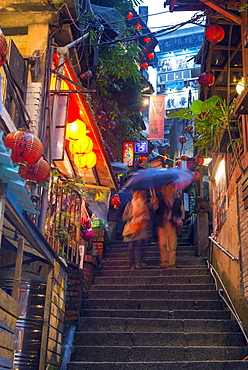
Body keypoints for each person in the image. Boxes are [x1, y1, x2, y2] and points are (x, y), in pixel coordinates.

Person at [152, 183, 182, 268]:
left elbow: (179, 212)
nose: (168, 190)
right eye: (167, 188)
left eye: (171, 188)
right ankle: (164, 261)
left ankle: (171, 263)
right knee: (162, 243)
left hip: (172, 223)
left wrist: (178, 218)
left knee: (172, 244)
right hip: (162, 223)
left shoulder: (177, 200)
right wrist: (155, 206)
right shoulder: (160, 200)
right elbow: (157, 213)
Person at [122, 190, 150, 270]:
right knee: (131, 246)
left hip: (141, 229)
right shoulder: (130, 205)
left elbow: (148, 217)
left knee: (139, 246)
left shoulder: (144, 206)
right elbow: (124, 217)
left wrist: (143, 217)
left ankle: (138, 263)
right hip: (131, 228)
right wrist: (132, 215)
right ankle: (132, 264)